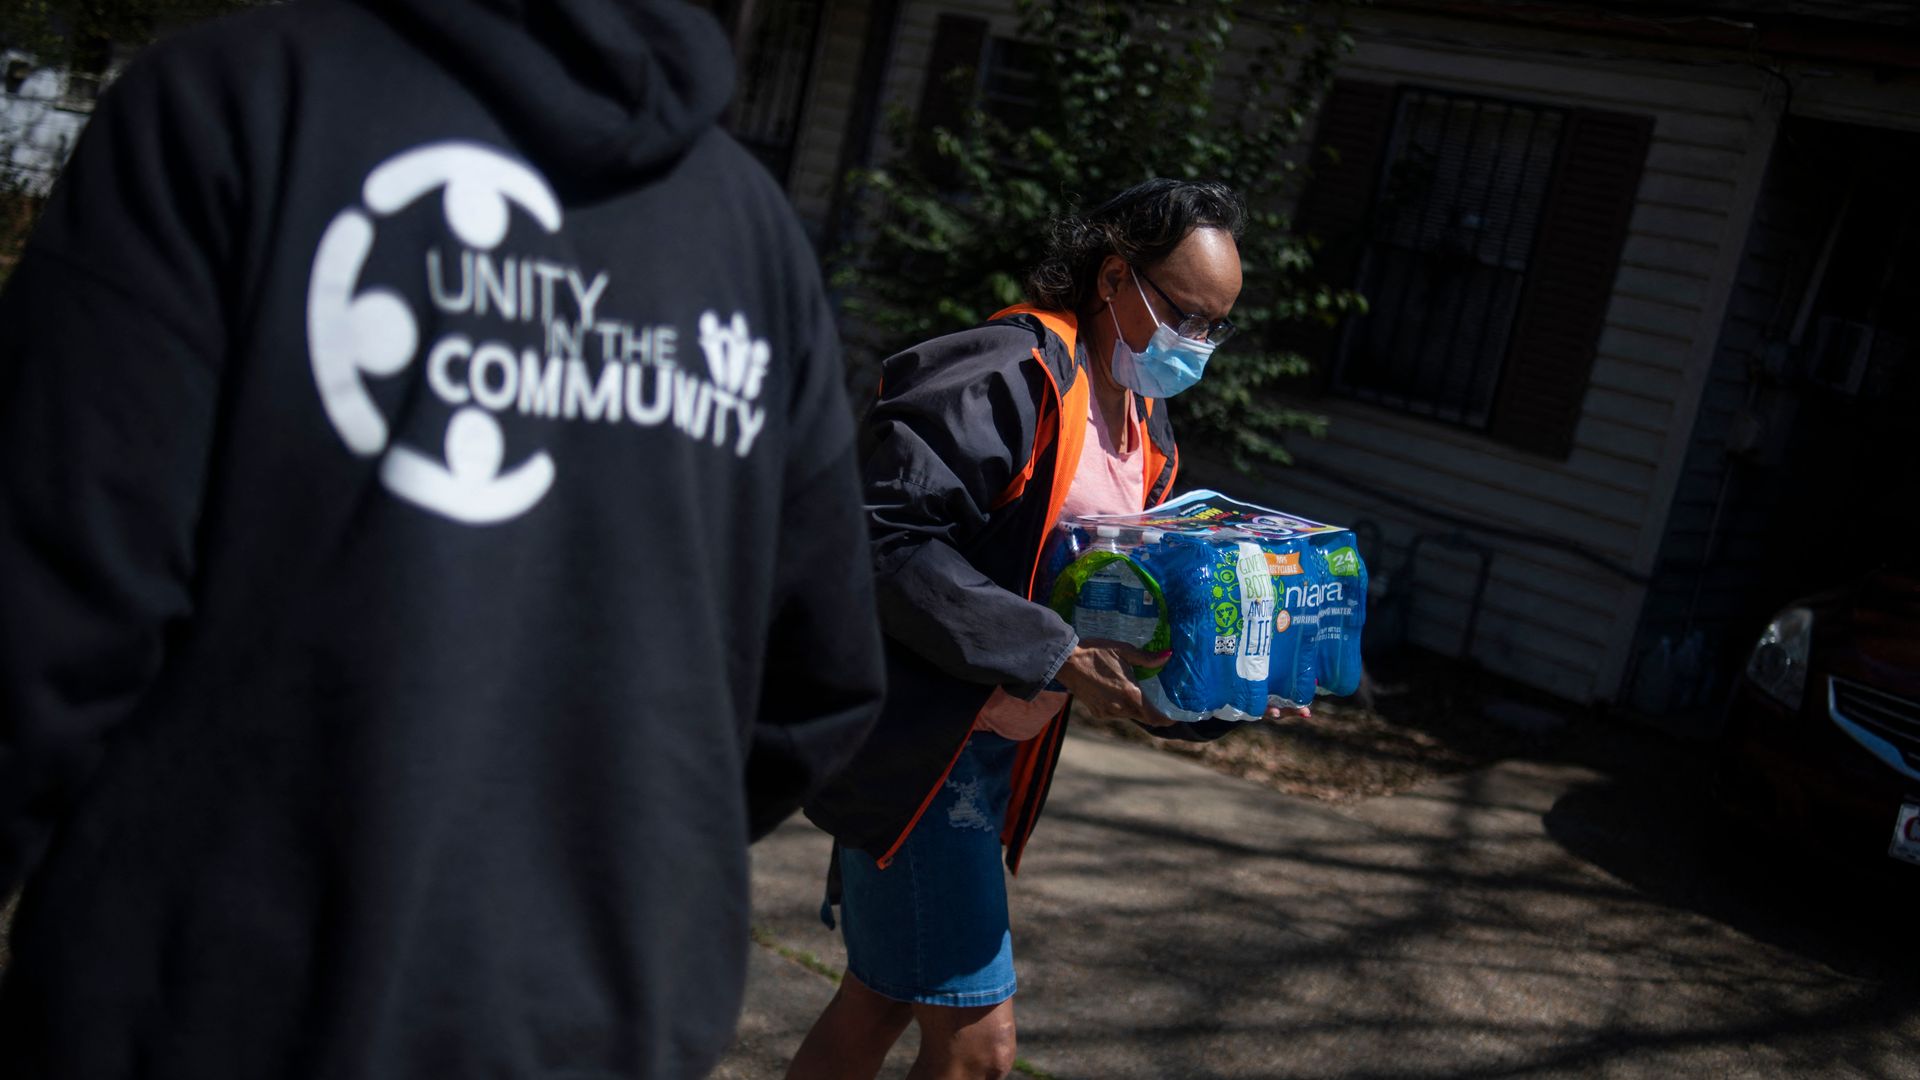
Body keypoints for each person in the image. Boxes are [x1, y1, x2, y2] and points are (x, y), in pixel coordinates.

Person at [0, 1, 884, 1077]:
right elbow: (819, 682)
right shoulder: (752, 235)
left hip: (217, 1016)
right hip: (606, 1020)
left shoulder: (231, 104)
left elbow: (44, 624)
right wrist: (596, 860)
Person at [788, 178, 1303, 1080]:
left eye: (1217, 327)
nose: (1197, 345)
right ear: (1113, 280)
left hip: (993, 755)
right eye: (1184, 315)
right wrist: (1054, 655)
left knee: (881, 996)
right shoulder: (1008, 373)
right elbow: (878, 536)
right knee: (981, 1051)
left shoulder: (1146, 423)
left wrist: (1235, 683)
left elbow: (1124, 602)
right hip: (919, 750)